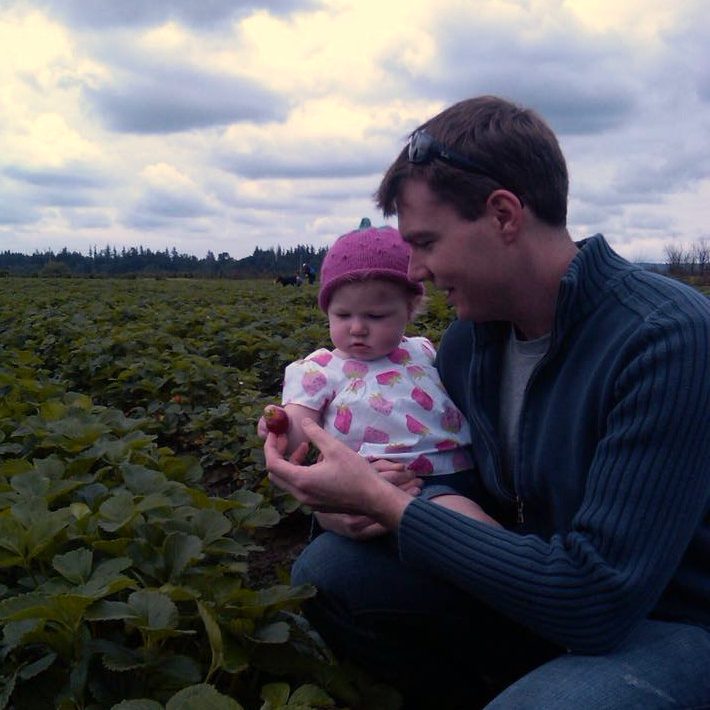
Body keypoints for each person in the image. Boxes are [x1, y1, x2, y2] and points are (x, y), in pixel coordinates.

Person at [264, 95, 710, 709]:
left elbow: (598, 600)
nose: (414, 271)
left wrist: (388, 505)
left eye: (425, 242)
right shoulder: (470, 341)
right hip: (531, 592)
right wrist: (362, 498)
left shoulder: (665, 337)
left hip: (663, 623)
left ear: (503, 215)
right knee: (330, 571)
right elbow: (473, 498)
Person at [261, 225, 499, 533]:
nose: (357, 328)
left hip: (462, 472)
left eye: (375, 317)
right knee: (475, 528)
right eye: (343, 315)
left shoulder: (422, 350)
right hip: (384, 481)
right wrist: (279, 425)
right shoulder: (318, 369)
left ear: (410, 309)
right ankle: (524, 571)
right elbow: (300, 433)